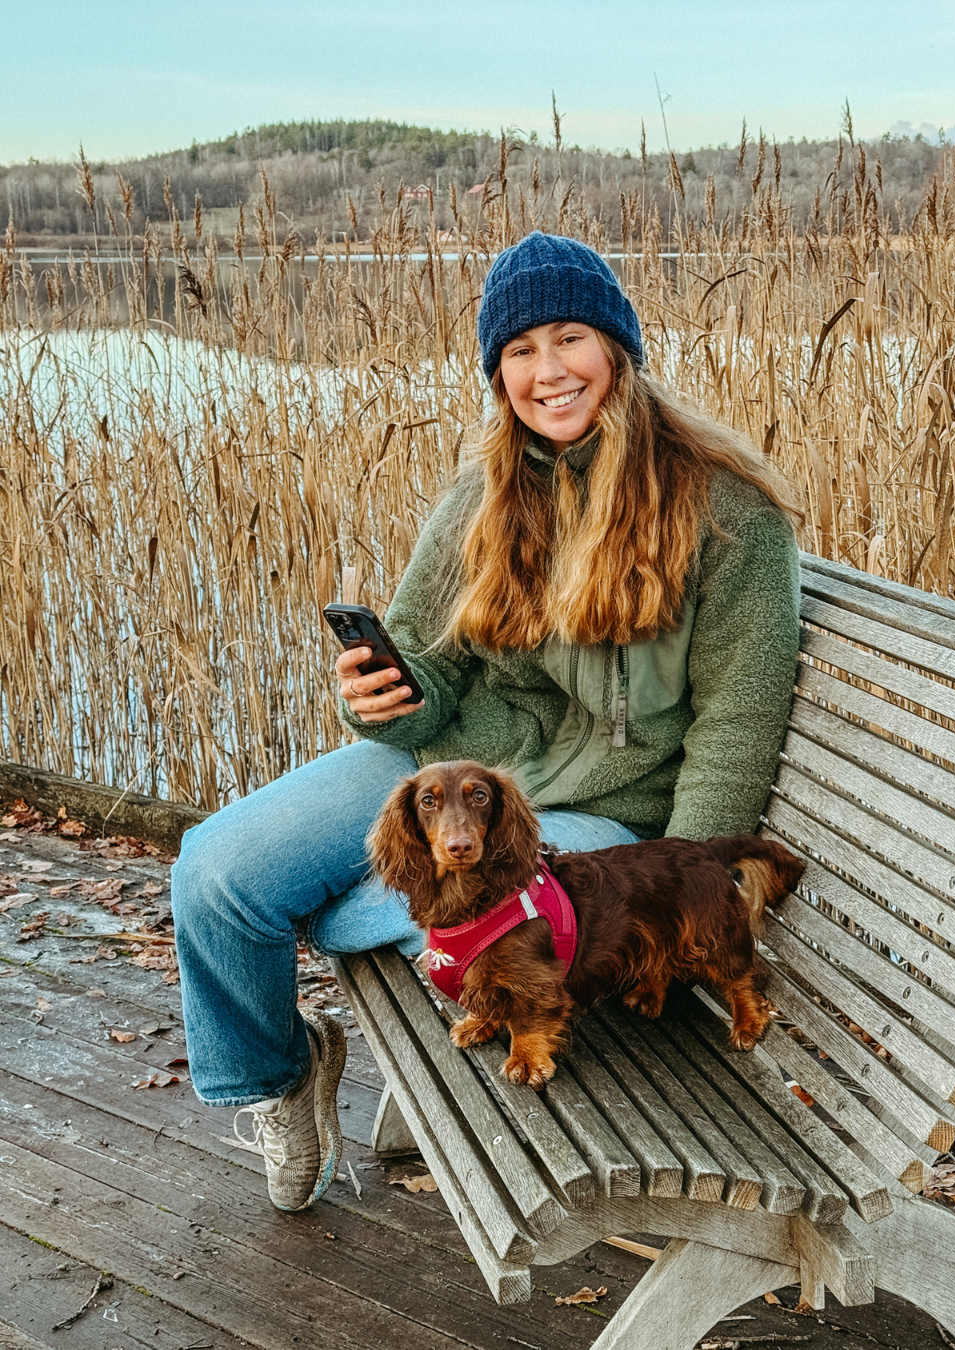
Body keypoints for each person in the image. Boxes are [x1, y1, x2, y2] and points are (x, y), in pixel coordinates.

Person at [172, 231, 803, 1212]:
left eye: (570, 339)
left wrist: (683, 886)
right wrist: (379, 692)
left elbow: (734, 726)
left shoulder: (729, 515)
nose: (548, 372)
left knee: (443, 915)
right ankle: (283, 1077)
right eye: (520, 351)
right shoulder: (485, 491)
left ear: (619, 350)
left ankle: (377, 936)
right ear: (496, 372)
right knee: (216, 875)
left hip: (593, 819)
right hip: (451, 775)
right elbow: (425, 659)